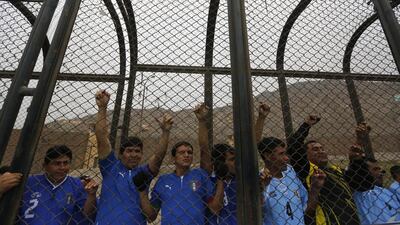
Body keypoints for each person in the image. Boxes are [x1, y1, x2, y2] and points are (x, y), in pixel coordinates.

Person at [133, 104, 225, 225]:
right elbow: (151, 216)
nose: (187, 155)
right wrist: (142, 191)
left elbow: (215, 208)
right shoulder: (162, 181)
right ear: (173, 159)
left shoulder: (200, 175)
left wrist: (221, 181)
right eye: (182, 152)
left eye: (190, 152)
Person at [94, 90, 173, 225]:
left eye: (137, 151)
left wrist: (165, 132)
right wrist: (102, 108)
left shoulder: (144, 174)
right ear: (120, 154)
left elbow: (159, 157)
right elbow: (101, 138)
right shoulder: (110, 167)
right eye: (129, 151)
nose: (134, 155)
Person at [203, 102, 270, 225]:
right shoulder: (209, 180)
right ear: (221, 163)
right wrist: (220, 180)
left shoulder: (241, 179)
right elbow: (215, 209)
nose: (238, 163)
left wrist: (261, 118)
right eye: (232, 159)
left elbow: (252, 148)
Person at [287, 116, 360, 225]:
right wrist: (306, 125)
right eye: (315, 149)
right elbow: (294, 145)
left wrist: (355, 156)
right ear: (305, 155)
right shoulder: (308, 170)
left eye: (322, 148)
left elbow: (360, 181)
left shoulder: (336, 171)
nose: (321, 151)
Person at [17, 145, 98, 225]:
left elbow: (87, 215)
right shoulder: (29, 183)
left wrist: (92, 195)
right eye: (57, 163)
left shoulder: (77, 185)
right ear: (44, 166)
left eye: (65, 163)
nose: (62, 167)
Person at [258, 136, 325, 225]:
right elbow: (253, 214)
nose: (286, 158)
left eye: (285, 154)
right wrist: (262, 189)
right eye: (281, 154)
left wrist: (315, 188)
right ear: (267, 156)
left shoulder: (290, 173)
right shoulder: (259, 181)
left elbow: (308, 210)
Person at [346, 123, 400, 225]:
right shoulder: (359, 191)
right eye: (375, 169)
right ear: (364, 172)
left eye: (381, 170)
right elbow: (354, 172)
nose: (380, 173)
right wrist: (359, 140)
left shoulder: (387, 192)